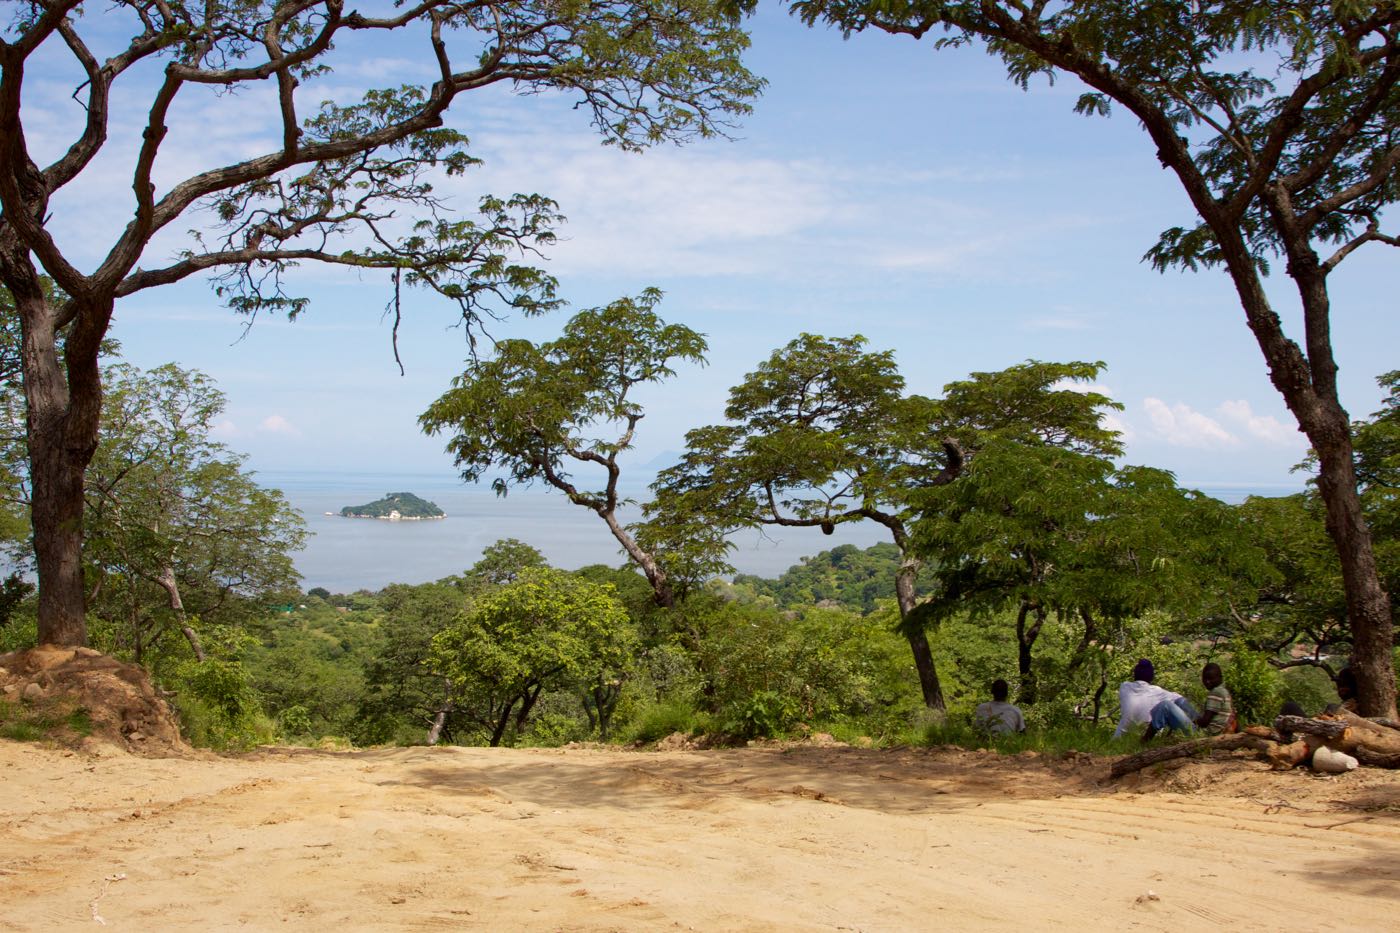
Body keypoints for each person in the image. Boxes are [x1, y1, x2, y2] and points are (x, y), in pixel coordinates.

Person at [1113, 658, 1199, 743]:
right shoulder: (1157, 691)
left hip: (1119, 738)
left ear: (1135, 674)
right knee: (1166, 705)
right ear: (1151, 677)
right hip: (1145, 737)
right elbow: (1180, 700)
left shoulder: (1124, 687)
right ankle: (1198, 728)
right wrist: (1195, 717)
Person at [1193, 662, 1236, 735]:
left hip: (1210, 733)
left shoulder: (1216, 692)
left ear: (1220, 678)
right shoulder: (1224, 691)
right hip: (1221, 731)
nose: (1207, 682)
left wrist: (1193, 722)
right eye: (1205, 679)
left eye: (1211, 678)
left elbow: (1205, 722)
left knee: (1168, 706)